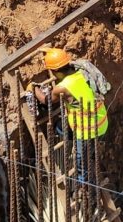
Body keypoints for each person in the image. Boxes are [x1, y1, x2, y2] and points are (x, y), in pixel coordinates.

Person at [41, 47, 107, 184]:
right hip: (102, 121)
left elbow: (46, 101)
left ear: (57, 72)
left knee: (81, 165)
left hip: (87, 131)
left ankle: (83, 190)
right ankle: (85, 151)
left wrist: (33, 88)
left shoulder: (62, 87)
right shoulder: (82, 71)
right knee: (60, 128)